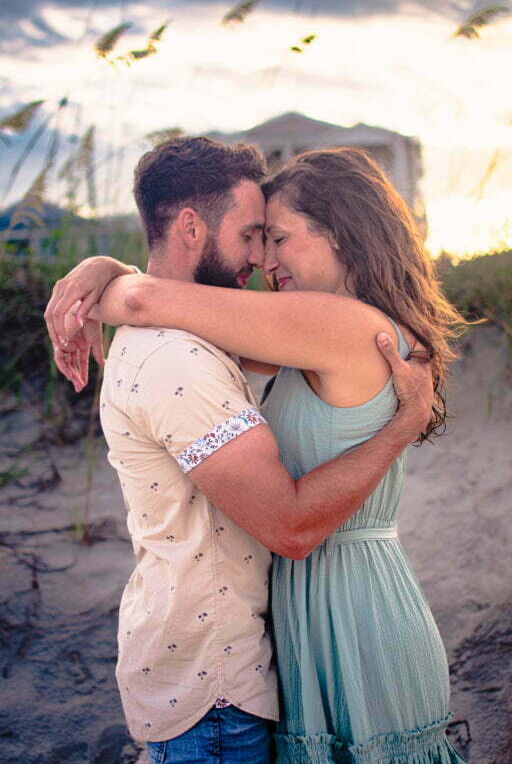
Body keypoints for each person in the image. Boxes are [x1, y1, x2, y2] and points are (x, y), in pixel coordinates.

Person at [44, 138, 441, 764]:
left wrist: (103, 279)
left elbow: (148, 300)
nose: (263, 260)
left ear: (340, 233)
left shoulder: (345, 327)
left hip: (352, 602)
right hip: (306, 605)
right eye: (257, 236)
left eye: (278, 238)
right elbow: (166, 306)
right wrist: (103, 269)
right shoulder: (303, 332)